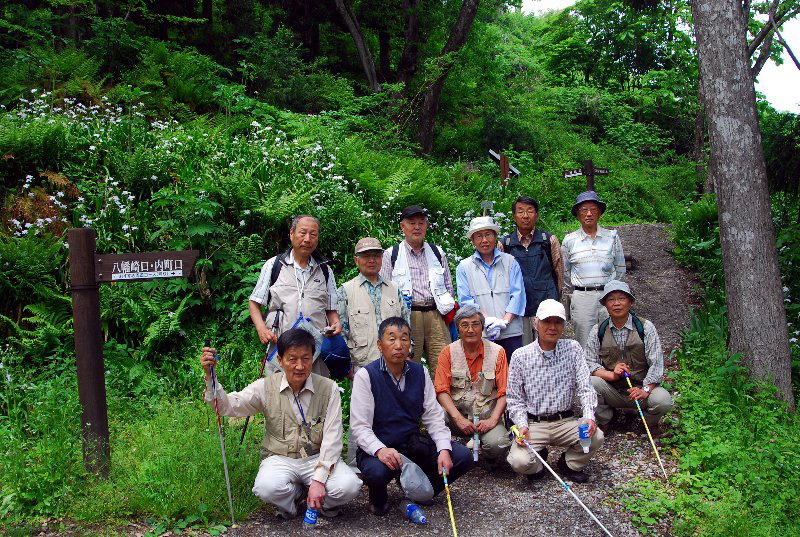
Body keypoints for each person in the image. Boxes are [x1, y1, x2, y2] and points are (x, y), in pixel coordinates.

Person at [200, 329, 362, 518]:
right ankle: (295, 497)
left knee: (348, 486)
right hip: (280, 457)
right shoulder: (265, 386)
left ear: (313, 358)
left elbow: (333, 438)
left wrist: (319, 480)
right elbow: (227, 406)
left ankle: (321, 503)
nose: (300, 366)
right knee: (266, 488)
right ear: (280, 360)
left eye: (306, 358)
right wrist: (210, 376)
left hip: (317, 457)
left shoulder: (329, 388)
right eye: (292, 359)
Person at [349, 317, 473, 515]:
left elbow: (433, 416)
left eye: (404, 339)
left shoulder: (420, 372)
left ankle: (420, 491)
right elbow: (360, 427)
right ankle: (378, 497)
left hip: (412, 444)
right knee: (376, 473)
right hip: (380, 446)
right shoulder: (366, 376)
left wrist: (443, 448)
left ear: (410, 343)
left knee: (462, 456)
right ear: (380, 345)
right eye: (392, 339)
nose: (399, 345)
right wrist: (380, 450)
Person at [506, 299, 604, 483]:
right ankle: (538, 465)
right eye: (547, 321)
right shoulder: (520, 356)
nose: (552, 327)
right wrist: (522, 425)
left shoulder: (573, 349)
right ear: (536, 323)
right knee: (519, 461)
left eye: (558, 322)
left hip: (565, 421)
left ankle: (568, 464)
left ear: (564, 325)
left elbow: (585, 387)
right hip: (534, 424)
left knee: (596, 436)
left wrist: (589, 416)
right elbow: (514, 399)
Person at [248, 215, 341, 376]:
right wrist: (261, 329)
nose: (307, 239)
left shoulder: (325, 270)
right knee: (279, 389)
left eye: (313, 234)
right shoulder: (274, 265)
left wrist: (336, 323)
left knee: (314, 389)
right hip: (281, 349)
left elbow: (331, 309)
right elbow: (254, 303)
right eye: (302, 233)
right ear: (291, 234)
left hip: (315, 352)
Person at [585, 280, 674, 434]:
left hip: (641, 389)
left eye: (621, 298)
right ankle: (606, 419)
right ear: (605, 304)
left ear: (630, 302)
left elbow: (656, 364)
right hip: (612, 390)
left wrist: (645, 389)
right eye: (611, 299)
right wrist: (611, 375)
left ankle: (646, 422)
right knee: (590, 383)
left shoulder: (645, 327)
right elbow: (589, 363)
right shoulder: (598, 330)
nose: (616, 303)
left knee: (663, 401)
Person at [380, 205, 456, 375]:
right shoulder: (391, 254)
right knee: (407, 365)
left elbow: (448, 287)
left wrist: (447, 313)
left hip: (436, 314)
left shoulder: (437, 252)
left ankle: (441, 393)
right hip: (408, 315)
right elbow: (384, 292)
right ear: (402, 226)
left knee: (443, 365)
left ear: (426, 226)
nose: (417, 227)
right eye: (412, 223)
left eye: (421, 223)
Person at [434, 305, 511, 464]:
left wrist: (493, 419)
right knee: (436, 416)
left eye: (475, 324)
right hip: (457, 417)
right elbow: (441, 391)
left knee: (499, 443)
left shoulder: (498, 352)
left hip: (486, 419)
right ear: (458, 328)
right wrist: (458, 418)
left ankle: (488, 454)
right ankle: (448, 451)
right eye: (465, 325)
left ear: (482, 327)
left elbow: (504, 392)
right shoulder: (447, 352)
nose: (470, 330)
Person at [456, 216, 526, 360]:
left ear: (495, 236)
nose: (484, 240)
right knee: (486, 370)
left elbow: (518, 294)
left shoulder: (510, 261)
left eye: (488, 234)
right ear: (472, 240)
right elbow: (466, 300)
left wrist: (504, 322)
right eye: (479, 236)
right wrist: (487, 321)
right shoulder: (464, 267)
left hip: (511, 331)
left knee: (514, 369)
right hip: (481, 332)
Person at [561, 191, 626, 349]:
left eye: (593, 210)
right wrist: (580, 287)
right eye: (584, 210)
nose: (589, 214)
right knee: (585, 343)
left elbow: (620, 268)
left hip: (609, 296)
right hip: (582, 297)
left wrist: (611, 290)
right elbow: (565, 272)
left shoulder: (612, 237)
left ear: (600, 213)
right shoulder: (569, 240)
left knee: (612, 341)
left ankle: (612, 367)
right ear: (578, 214)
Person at [499, 196, 564, 346]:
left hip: (547, 306)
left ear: (537, 215)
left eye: (530, 211)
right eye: (520, 211)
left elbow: (559, 273)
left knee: (549, 347)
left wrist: (556, 300)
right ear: (514, 216)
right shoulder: (505, 244)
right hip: (519, 309)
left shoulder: (549, 240)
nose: (525, 216)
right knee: (524, 348)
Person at [338, 237, 410, 372]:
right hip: (362, 366)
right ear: (356, 260)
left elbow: (406, 324)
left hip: (395, 364)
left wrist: (408, 353)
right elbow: (342, 332)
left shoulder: (394, 288)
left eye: (376, 256)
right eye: (366, 256)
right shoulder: (345, 291)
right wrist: (348, 367)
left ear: (382, 259)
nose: (372, 260)